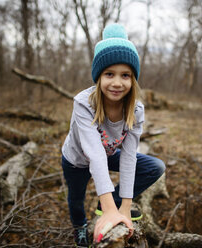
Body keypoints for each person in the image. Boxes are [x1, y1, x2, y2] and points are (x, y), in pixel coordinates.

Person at [61, 23, 166, 247]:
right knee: (76, 199)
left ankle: (111, 203)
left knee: (154, 167)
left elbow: (129, 157)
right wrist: (110, 211)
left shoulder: (136, 110)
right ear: (98, 76)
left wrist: (124, 207)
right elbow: (94, 155)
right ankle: (80, 228)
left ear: (133, 79)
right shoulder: (83, 103)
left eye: (125, 75)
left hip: (107, 153)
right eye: (110, 74)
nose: (117, 83)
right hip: (78, 159)